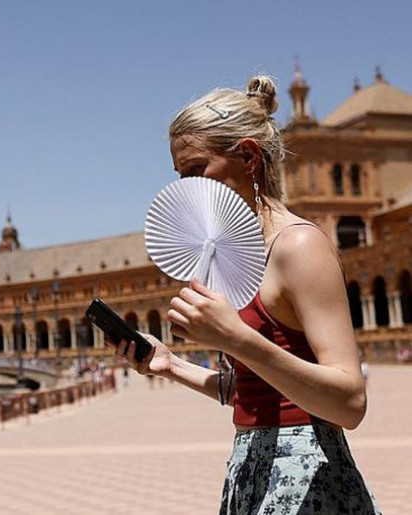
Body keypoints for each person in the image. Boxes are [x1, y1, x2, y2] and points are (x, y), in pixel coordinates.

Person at [112, 75, 382, 514]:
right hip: (250, 467)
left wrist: (235, 338)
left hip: (307, 475)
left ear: (249, 157)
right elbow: (256, 388)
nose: (187, 188)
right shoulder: (235, 253)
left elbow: (350, 403)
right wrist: (171, 365)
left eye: (196, 171)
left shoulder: (298, 246)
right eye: (180, 176)